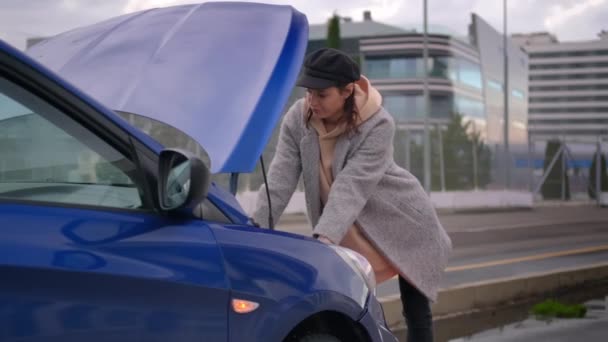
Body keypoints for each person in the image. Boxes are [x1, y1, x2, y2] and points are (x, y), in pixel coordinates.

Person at [253, 48, 452, 342]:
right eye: (309, 92)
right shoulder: (298, 118)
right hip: (348, 223)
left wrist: (324, 238)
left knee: (416, 310)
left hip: (402, 219)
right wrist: (257, 226)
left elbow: (352, 185)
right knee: (353, 299)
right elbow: (280, 176)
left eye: (322, 95)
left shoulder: (378, 124)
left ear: (347, 91)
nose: (312, 101)